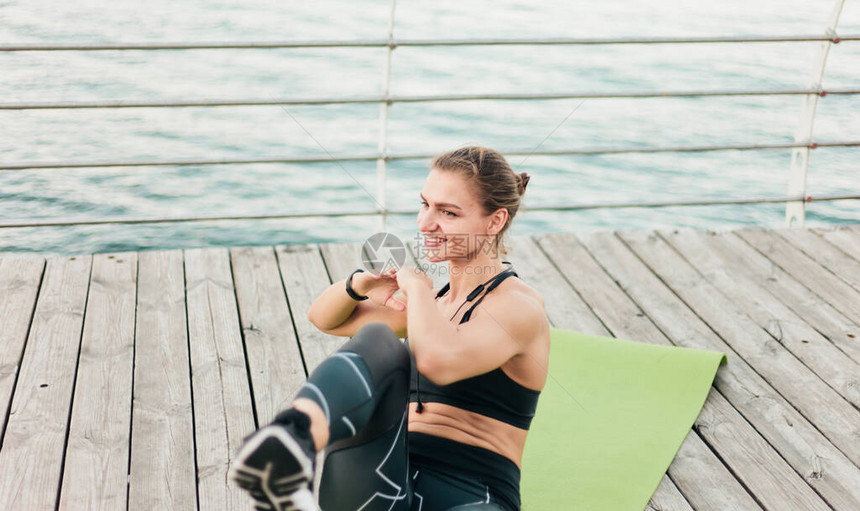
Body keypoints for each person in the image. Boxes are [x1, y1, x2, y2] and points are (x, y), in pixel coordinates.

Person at [230, 146, 550, 511]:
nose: (425, 223)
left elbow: (437, 362)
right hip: (384, 478)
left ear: (494, 222)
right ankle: (291, 444)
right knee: (379, 340)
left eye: (447, 212)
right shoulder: (435, 304)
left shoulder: (517, 307)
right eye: (424, 204)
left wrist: (416, 287)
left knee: (388, 339)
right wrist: (358, 285)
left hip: (471, 493)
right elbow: (326, 319)